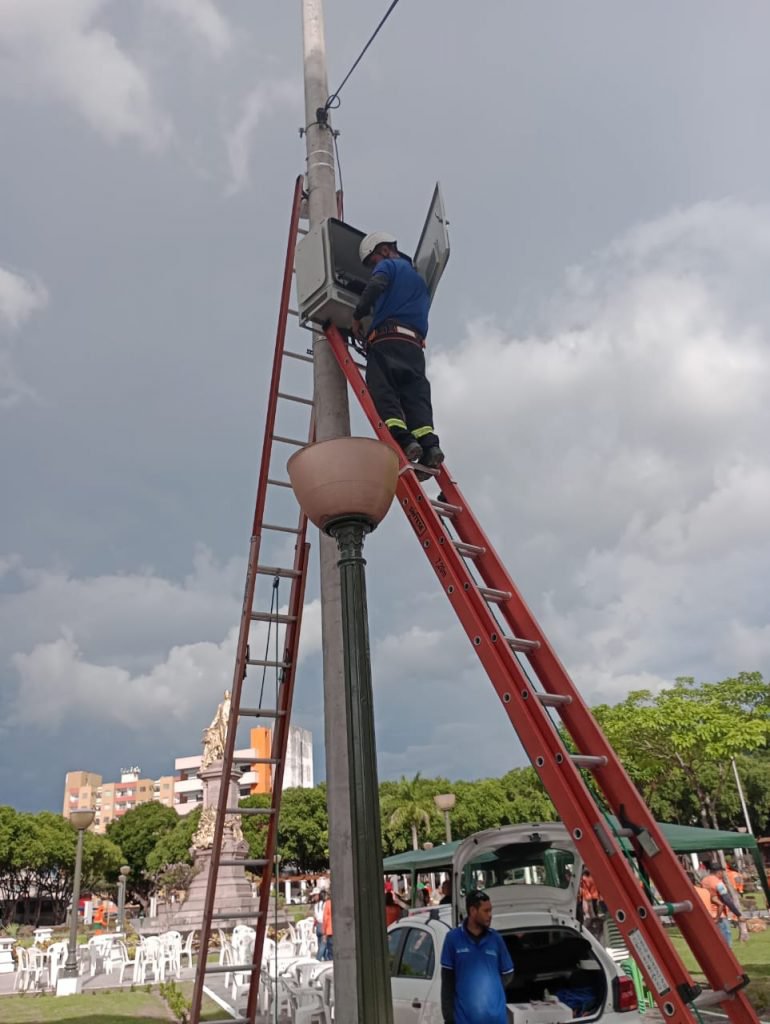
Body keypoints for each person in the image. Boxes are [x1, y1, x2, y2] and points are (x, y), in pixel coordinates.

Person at [351, 233, 444, 477]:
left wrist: (358, 315)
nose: (374, 267)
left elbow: (376, 285)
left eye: (372, 261)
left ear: (382, 250)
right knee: (416, 397)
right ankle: (429, 445)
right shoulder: (418, 280)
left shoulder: (388, 265)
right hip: (414, 346)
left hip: (387, 340)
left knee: (384, 391)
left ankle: (403, 440)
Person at [441, 890, 514, 1024]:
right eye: (486, 911)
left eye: (490, 910)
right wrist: (449, 1018)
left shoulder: (496, 939)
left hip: (496, 1019)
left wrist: (490, 987)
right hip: (464, 1020)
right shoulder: (452, 939)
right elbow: (447, 983)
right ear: (473, 911)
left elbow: (508, 973)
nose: (490, 915)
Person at [701, 862, 743, 947]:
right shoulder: (718, 883)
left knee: (715, 941)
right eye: (722, 872)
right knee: (726, 940)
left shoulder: (704, 881)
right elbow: (726, 899)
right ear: (719, 872)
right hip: (719, 915)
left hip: (708, 913)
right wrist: (738, 914)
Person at [311, 890, 326, 961]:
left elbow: (316, 917)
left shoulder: (316, 905)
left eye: (314, 895)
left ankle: (324, 960)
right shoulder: (323, 904)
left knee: (321, 945)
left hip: (319, 926)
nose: (313, 897)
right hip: (322, 925)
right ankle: (318, 959)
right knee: (323, 945)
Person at [322, 889, 334, 961]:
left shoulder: (328, 903)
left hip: (330, 931)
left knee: (331, 951)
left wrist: (324, 933)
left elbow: (325, 919)